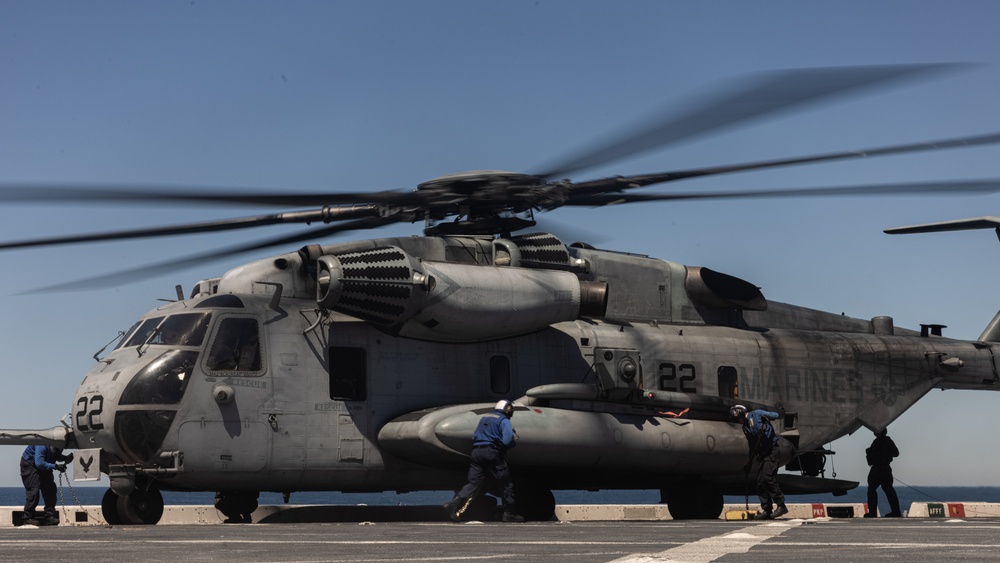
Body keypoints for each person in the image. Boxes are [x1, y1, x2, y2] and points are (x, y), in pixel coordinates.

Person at [443, 400, 523, 522]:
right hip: (492, 453)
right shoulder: (503, 420)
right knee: (505, 483)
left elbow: (474, 436)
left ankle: (454, 504)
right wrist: (511, 442)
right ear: (508, 410)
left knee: (474, 482)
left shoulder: (485, 418)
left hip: (476, 452)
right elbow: (507, 441)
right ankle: (509, 513)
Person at [730, 404, 787, 520]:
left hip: (772, 450)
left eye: (737, 418)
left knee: (768, 477)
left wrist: (778, 413)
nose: (738, 421)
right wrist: (750, 462)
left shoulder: (757, 414)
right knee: (760, 482)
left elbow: (774, 415)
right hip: (762, 454)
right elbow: (752, 445)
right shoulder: (745, 427)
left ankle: (781, 505)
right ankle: (767, 510)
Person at [20, 444, 73, 526]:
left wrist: (65, 458)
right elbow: (39, 463)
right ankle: (27, 517)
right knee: (34, 490)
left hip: (43, 463)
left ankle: (49, 516)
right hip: (30, 464)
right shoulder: (42, 445)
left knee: (50, 490)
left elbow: (55, 455)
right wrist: (55, 466)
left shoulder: (56, 445)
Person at [864, 428, 902, 518]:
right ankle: (873, 512)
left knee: (887, 490)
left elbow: (896, 453)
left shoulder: (887, 441)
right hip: (877, 468)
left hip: (883, 468)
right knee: (873, 490)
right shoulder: (876, 442)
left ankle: (895, 511)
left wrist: (882, 454)